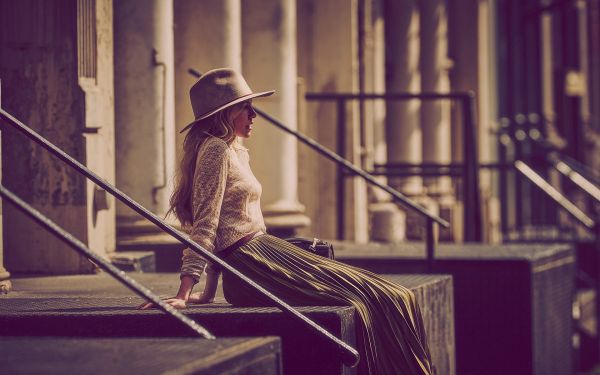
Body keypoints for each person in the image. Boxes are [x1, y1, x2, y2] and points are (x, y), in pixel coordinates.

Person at [139, 68, 433, 375]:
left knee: (398, 295)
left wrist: (211, 292)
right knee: (378, 298)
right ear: (224, 114)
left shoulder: (236, 151)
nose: (253, 115)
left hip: (267, 254)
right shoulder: (214, 150)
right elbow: (206, 224)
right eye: (245, 107)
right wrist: (186, 292)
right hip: (253, 265)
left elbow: (227, 222)